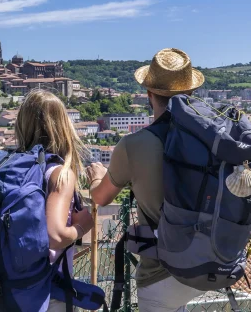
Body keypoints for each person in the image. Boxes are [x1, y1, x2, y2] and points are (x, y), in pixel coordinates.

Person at [88, 48, 206, 312]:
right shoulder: (209, 139)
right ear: (189, 94)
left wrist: (96, 178)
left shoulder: (135, 145)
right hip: (208, 263)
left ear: (149, 95)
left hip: (161, 273)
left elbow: (101, 197)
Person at [14, 89, 94, 312]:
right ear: (62, 126)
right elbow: (54, 236)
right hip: (47, 293)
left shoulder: (11, 168)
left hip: (9, 288)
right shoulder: (59, 174)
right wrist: (81, 226)